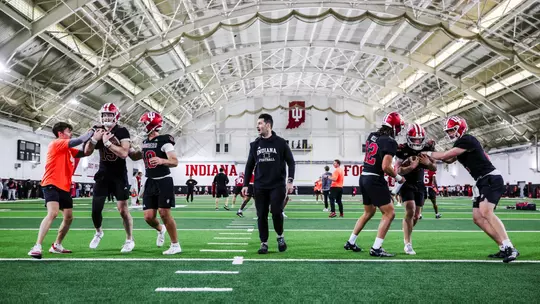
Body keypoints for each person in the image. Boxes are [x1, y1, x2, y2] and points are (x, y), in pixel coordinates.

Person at [423, 116, 519, 263]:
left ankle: (510, 247)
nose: (449, 133)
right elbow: (448, 160)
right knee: (478, 218)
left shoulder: (467, 139)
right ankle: (502, 247)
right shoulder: (461, 144)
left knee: (486, 212)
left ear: (460, 127)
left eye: (452, 129)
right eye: (448, 131)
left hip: (490, 178)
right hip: (481, 181)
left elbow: (445, 155)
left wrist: (426, 152)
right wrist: (431, 152)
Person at [28, 122, 93, 259]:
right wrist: (90, 132)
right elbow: (79, 140)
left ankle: (57, 245)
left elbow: (86, 152)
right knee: (53, 213)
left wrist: (93, 140)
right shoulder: (56, 143)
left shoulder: (69, 149)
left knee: (69, 217)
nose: (71, 134)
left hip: (64, 186)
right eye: (69, 131)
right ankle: (37, 246)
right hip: (51, 182)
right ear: (60, 133)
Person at [344, 112, 405, 257]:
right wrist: (398, 177)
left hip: (364, 176)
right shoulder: (390, 142)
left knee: (369, 212)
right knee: (389, 213)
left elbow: (378, 149)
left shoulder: (372, 135)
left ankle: (351, 242)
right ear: (395, 127)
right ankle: (376, 248)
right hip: (375, 178)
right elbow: (385, 166)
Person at [129, 111, 181, 255]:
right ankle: (160, 229)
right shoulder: (145, 142)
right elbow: (135, 157)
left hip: (164, 181)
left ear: (152, 124)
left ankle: (175, 245)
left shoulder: (165, 141)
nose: (142, 127)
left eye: (144, 124)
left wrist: (162, 160)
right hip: (150, 181)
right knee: (148, 217)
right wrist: (127, 148)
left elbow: (175, 161)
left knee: (164, 213)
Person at [85, 103, 134, 253]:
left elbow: (124, 153)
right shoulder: (96, 129)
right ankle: (99, 232)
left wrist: (107, 143)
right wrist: (94, 139)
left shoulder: (122, 131)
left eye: (109, 115)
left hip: (119, 175)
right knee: (95, 210)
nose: (106, 117)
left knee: (123, 210)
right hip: (103, 174)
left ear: (116, 116)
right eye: (104, 114)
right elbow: (87, 151)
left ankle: (129, 239)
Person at [243, 113, 295, 254]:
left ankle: (280, 236)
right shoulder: (255, 145)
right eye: (257, 123)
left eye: (260, 123)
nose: (257, 126)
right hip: (260, 186)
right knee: (262, 215)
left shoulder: (280, 142)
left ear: (268, 125)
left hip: (277, 185)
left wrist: (290, 181)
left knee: (277, 212)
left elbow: (291, 162)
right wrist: (246, 184)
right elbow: (249, 166)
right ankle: (264, 243)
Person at [395, 123, 437, 255]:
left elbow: (434, 167)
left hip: (420, 184)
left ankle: (406, 233)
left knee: (417, 215)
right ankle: (407, 243)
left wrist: (428, 163)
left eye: (419, 139)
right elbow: (397, 170)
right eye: (414, 139)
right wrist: (411, 167)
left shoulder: (427, 147)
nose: (417, 142)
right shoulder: (402, 149)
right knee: (410, 211)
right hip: (407, 183)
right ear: (408, 138)